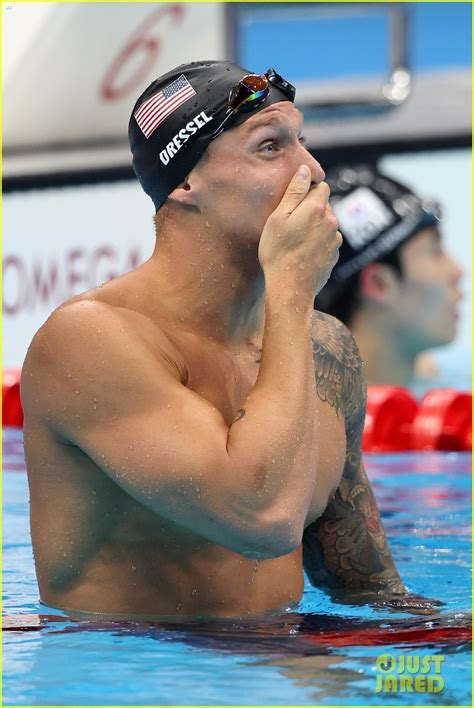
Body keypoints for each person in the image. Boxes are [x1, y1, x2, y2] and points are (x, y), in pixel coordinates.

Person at [21, 61, 436, 620]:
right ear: (186, 181)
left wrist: (436, 641)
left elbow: (365, 587)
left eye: (302, 143)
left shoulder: (326, 346)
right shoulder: (90, 340)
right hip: (137, 675)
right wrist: (291, 294)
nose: (313, 171)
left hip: (279, 661)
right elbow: (264, 519)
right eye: (271, 148)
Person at [316, 164, 463, 388]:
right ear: (379, 284)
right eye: (435, 252)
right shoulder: (309, 419)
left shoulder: (435, 381)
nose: (458, 272)